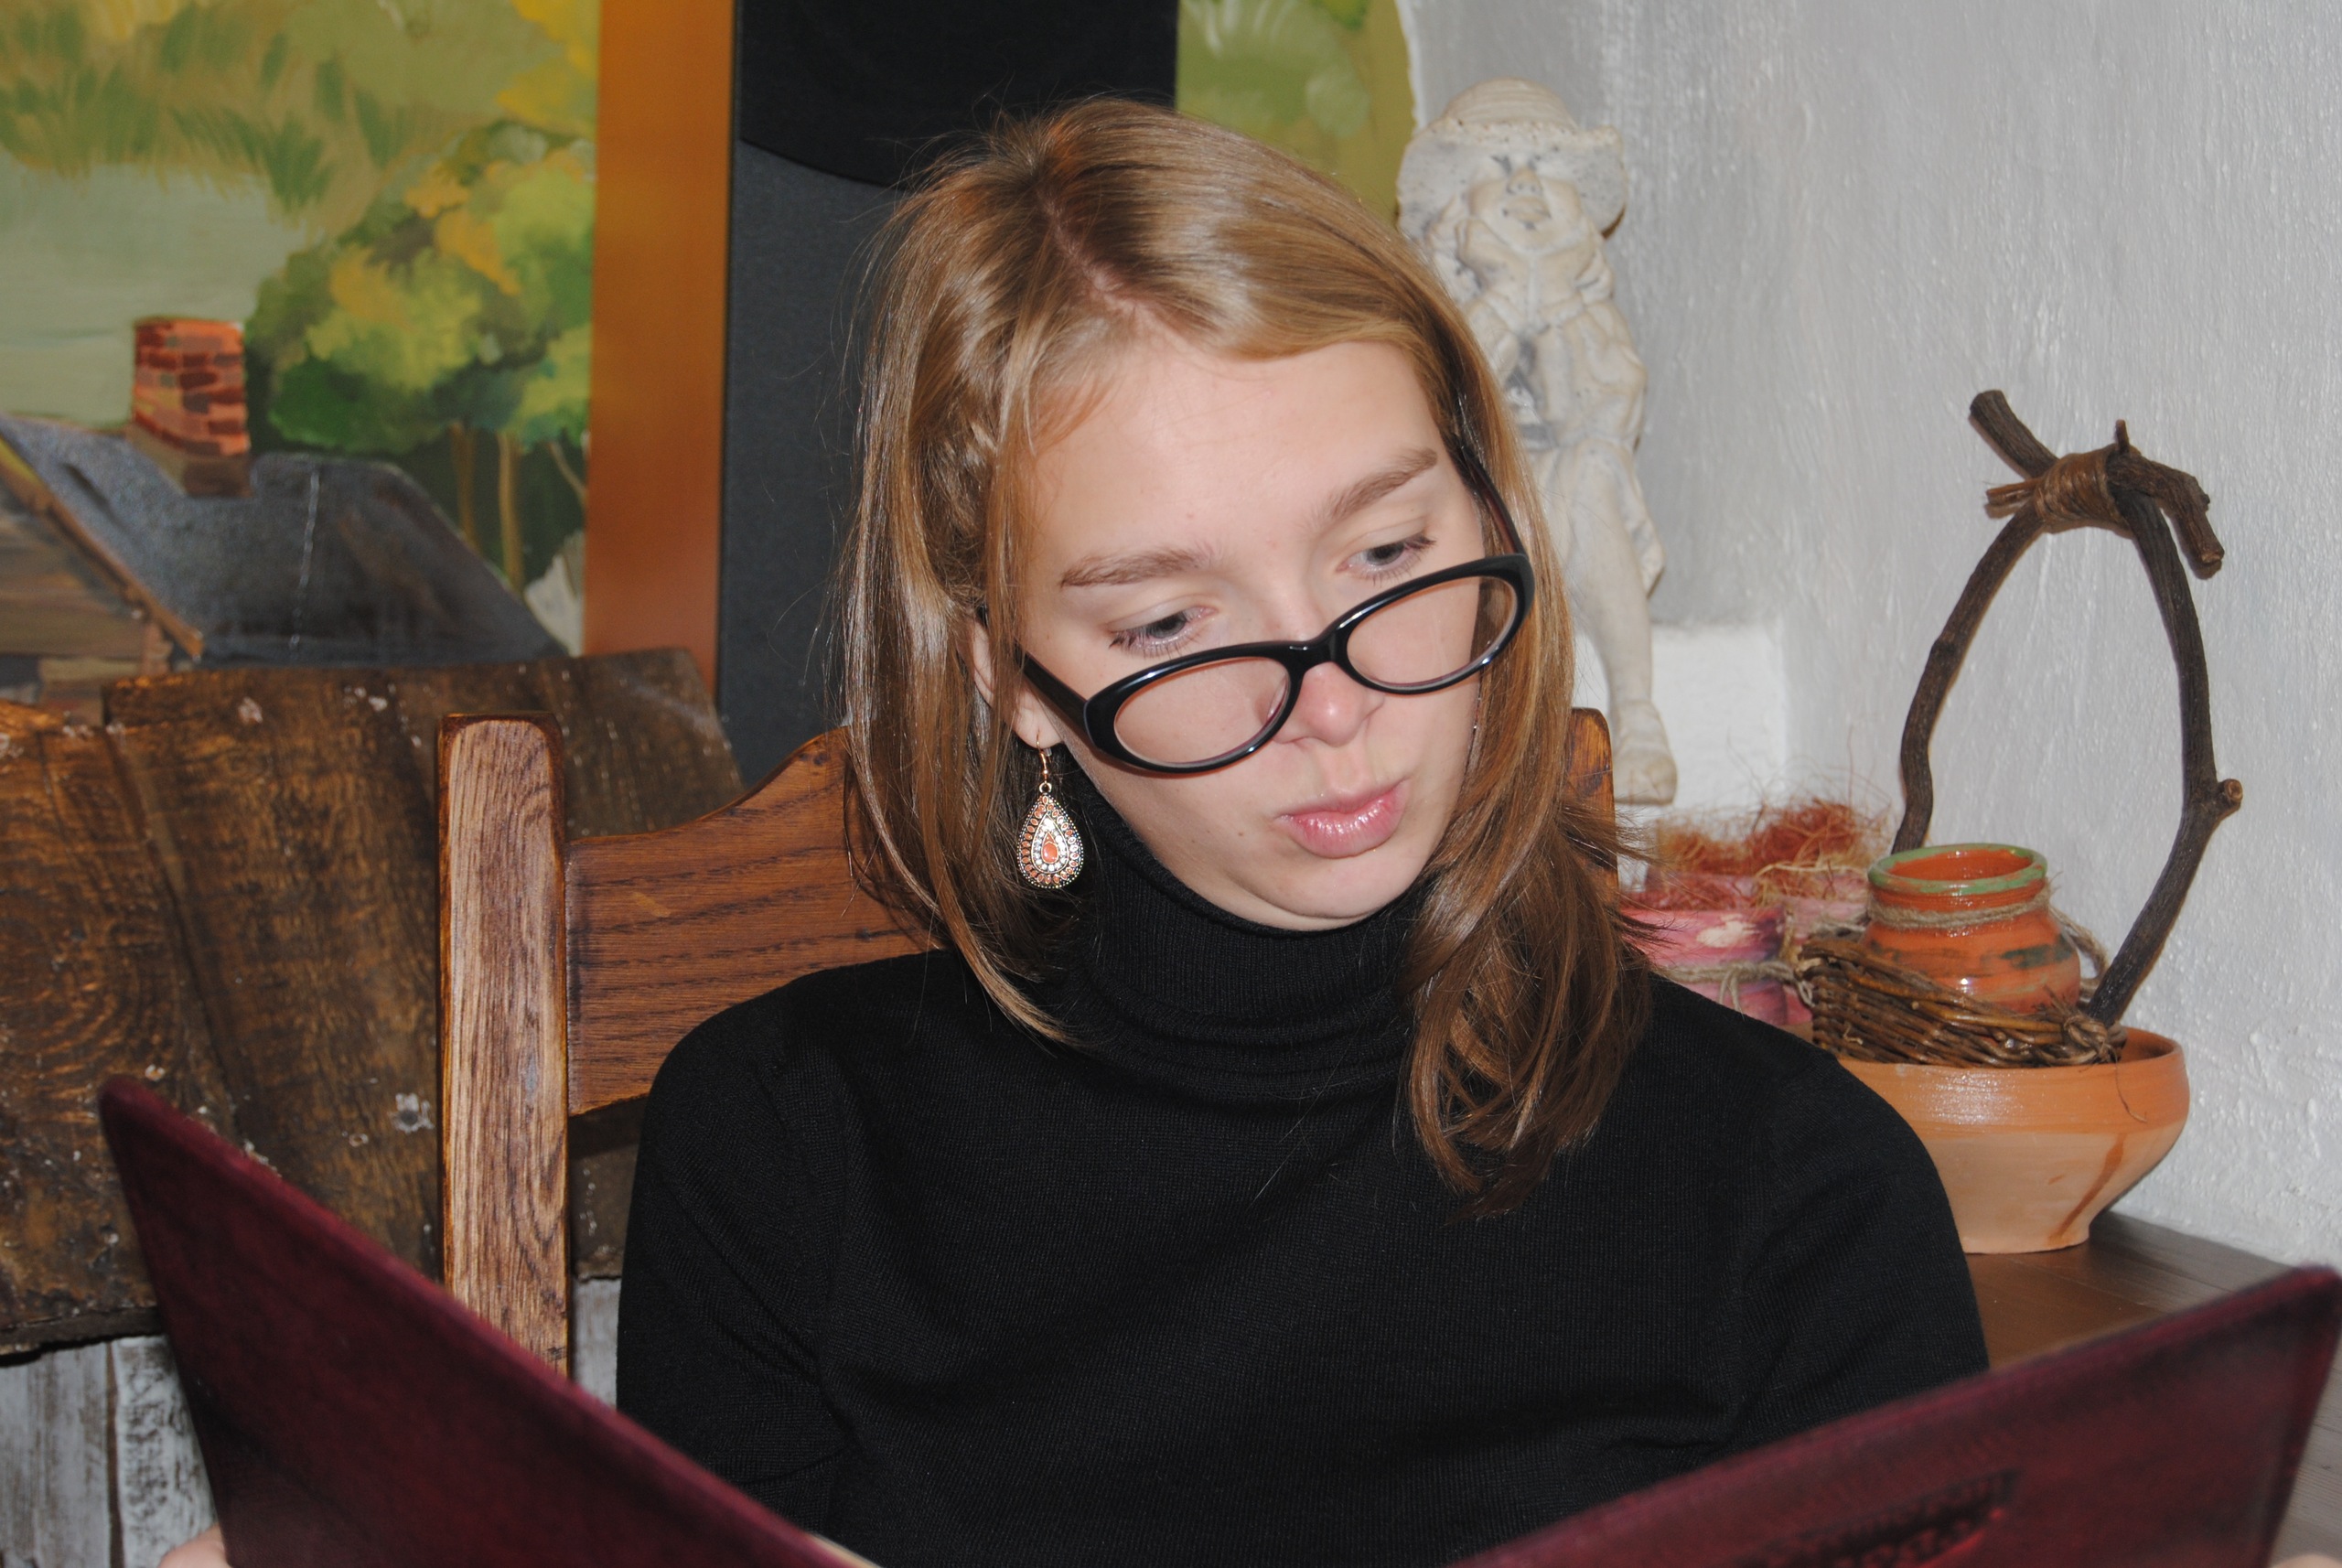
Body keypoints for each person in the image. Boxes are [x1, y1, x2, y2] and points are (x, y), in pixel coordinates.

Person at [166, 100, 1984, 1568]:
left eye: (1383, 553)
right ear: (1013, 677)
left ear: (1491, 509)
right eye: (1170, 623)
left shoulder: (1799, 1195)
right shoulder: (786, 1152)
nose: (1330, 699)